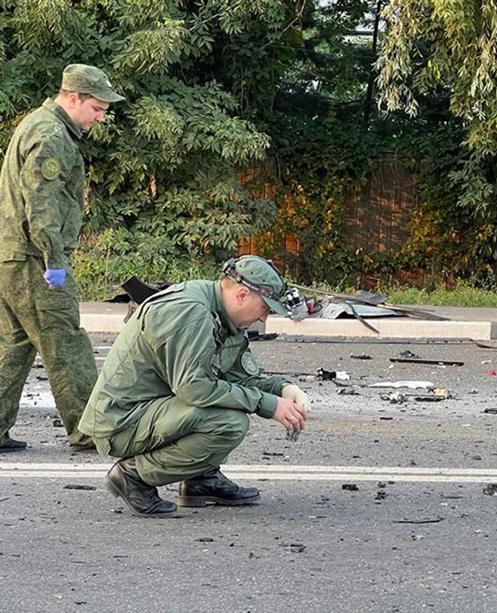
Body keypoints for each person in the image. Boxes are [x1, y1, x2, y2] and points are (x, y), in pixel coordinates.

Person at [78, 256, 311, 517]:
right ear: (243, 295)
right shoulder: (192, 312)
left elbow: (236, 379)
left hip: (151, 410)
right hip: (121, 422)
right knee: (228, 423)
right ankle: (133, 475)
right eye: (265, 308)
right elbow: (195, 389)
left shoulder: (224, 314)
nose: (264, 317)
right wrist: (266, 404)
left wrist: (283, 389)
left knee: (226, 406)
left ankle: (201, 480)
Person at [0, 64, 124, 453]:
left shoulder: (39, 124)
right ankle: (91, 430)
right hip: (35, 259)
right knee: (65, 342)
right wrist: (54, 259)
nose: (100, 117)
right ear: (74, 98)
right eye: (97, 108)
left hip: (13, 256)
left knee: (14, 346)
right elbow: (42, 202)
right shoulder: (51, 134)